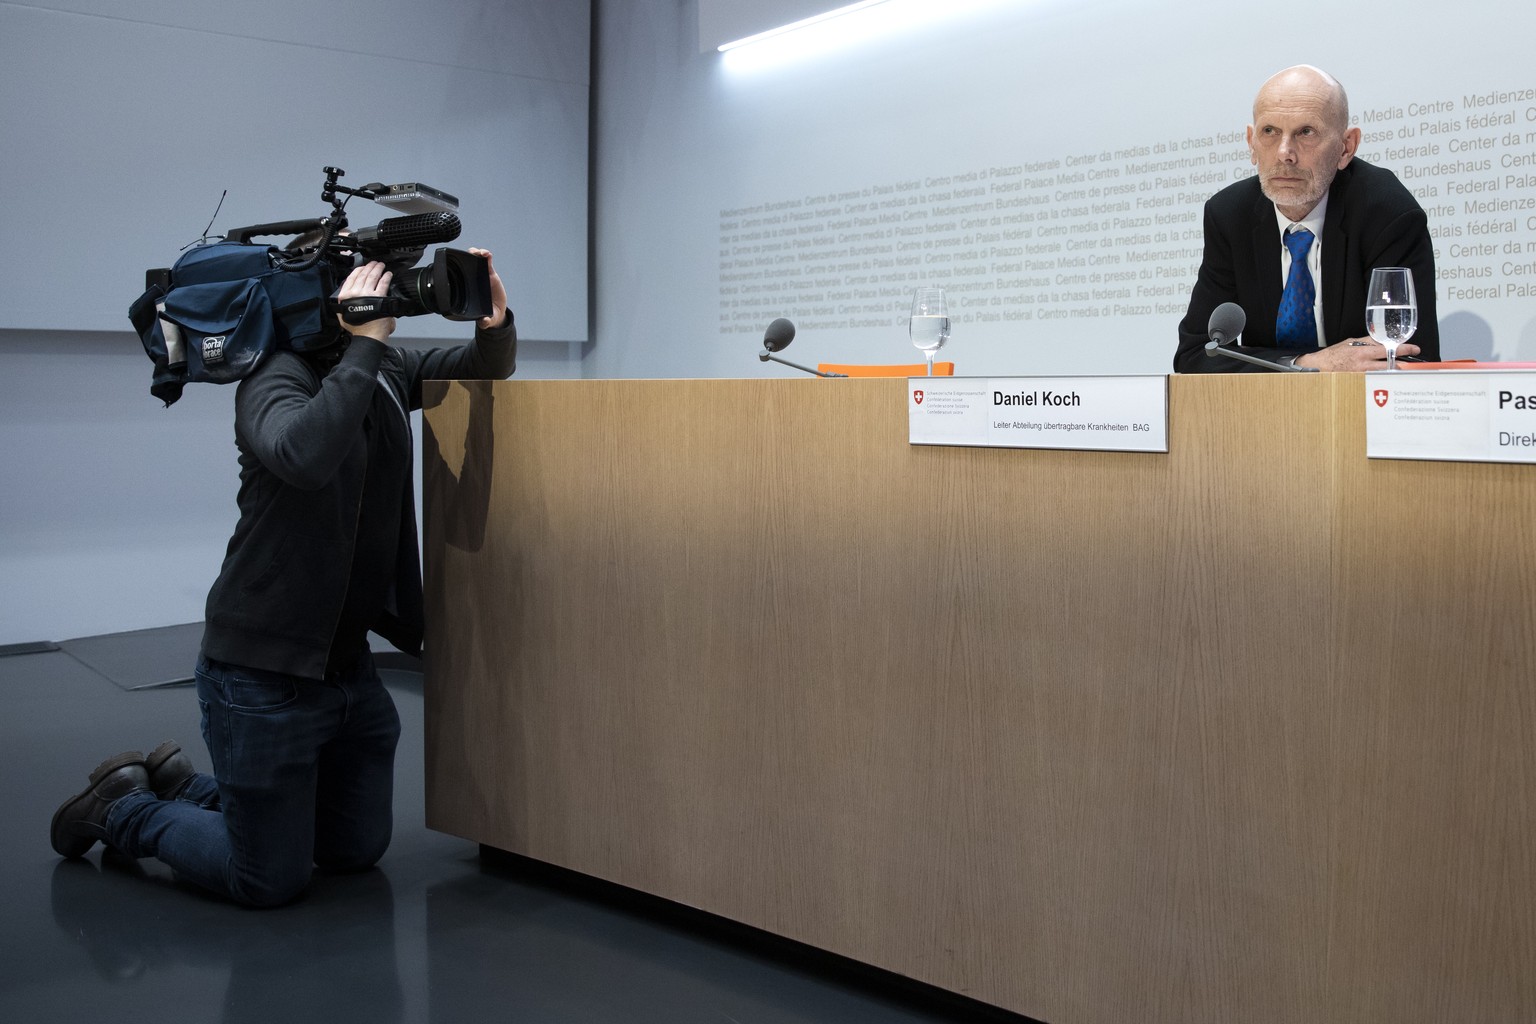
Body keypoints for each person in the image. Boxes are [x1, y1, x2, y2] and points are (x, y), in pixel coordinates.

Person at [50, 248, 517, 907]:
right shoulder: (273, 378)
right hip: (261, 673)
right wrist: (362, 349)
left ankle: (189, 787)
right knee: (269, 878)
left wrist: (493, 323)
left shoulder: (381, 368)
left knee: (352, 852)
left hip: (346, 669)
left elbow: (477, 369)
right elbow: (303, 454)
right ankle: (123, 810)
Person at [1174, 65, 1440, 373]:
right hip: (1271, 411)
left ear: (1346, 147)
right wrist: (1307, 364)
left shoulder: (1386, 212)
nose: (1285, 153)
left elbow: (1410, 355)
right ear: (1251, 143)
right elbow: (1197, 354)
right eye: (1270, 132)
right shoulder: (1230, 215)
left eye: (1306, 132)